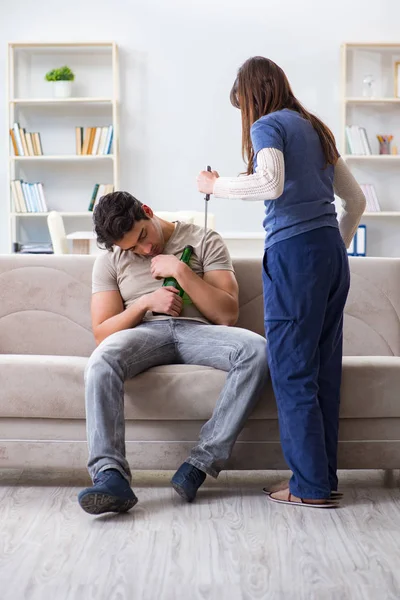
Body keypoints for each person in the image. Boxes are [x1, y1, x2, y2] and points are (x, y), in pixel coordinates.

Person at [197, 56, 366, 509]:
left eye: (243, 106)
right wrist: (332, 246)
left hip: (295, 257)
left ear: (255, 96)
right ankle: (321, 480)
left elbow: (270, 183)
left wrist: (216, 185)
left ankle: (308, 487)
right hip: (330, 255)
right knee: (322, 373)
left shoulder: (269, 125)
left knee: (292, 372)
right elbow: (355, 200)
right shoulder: (316, 128)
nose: (245, 117)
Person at [78, 191, 268, 515]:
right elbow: (103, 333)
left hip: (199, 331)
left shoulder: (204, 239)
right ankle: (110, 477)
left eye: (143, 236)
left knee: (257, 350)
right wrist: (144, 303)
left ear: (148, 211)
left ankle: (200, 463)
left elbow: (227, 314)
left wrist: (181, 271)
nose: (144, 249)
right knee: (100, 362)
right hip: (143, 334)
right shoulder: (110, 261)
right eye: (132, 248)